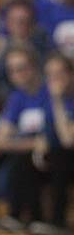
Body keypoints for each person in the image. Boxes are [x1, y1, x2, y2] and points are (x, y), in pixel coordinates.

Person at [0, 46, 46, 228]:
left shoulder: (49, 93)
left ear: (35, 67)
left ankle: (21, 217)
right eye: (12, 71)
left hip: (45, 151)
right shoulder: (17, 97)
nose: (17, 75)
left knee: (20, 160)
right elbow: (4, 130)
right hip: (19, 146)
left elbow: (44, 141)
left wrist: (5, 144)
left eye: (21, 69)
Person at [29, 53, 74, 235]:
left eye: (59, 73)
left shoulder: (60, 100)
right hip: (60, 153)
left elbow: (68, 139)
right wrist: (38, 151)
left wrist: (57, 100)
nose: (54, 79)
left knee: (61, 158)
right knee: (26, 162)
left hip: (68, 153)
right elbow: (46, 131)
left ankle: (58, 222)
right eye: (50, 75)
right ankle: (30, 219)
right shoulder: (49, 100)